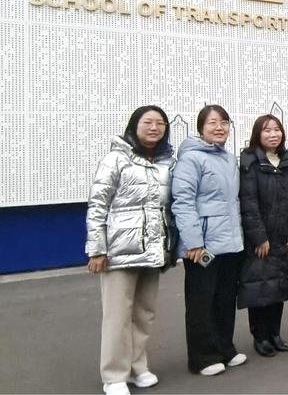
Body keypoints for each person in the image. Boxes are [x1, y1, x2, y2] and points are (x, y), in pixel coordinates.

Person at [85, 106, 176, 395]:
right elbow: (98, 205)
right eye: (147, 122)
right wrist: (97, 249)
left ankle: (138, 368)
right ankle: (114, 375)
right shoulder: (116, 159)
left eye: (160, 123)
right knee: (117, 316)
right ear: (134, 126)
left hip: (152, 249)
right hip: (119, 251)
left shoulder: (166, 162)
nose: (154, 128)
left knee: (144, 313)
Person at [171, 105, 246, 377]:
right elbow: (183, 202)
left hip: (230, 242)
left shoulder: (228, 158)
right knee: (202, 300)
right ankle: (202, 357)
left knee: (225, 298)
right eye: (213, 123)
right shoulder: (191, 159)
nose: (219, 128)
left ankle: (225, 348)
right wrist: (194, 242)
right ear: (201, 128)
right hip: (203, 246)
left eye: (224, 122)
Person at [237, 115, 288, 357]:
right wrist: (259, 237)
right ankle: (261, 337)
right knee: (260, 289)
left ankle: (275, 334)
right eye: (267, 130)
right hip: (262, 240)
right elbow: (248, 203)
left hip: (285, 237)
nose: (273, 134)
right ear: (258, 134)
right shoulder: (250, 164)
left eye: (277, 130)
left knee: (279, 287)